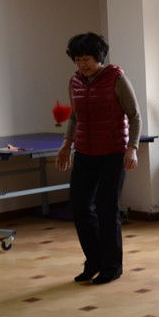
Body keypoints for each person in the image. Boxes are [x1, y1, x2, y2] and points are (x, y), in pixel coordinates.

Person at [56, 33, 142, 285]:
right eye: (78, 59)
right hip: (84, 153)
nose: (82, 64)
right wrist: (66, 145)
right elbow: (74, 117)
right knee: (79, 207)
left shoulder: (117, 79)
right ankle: (93, 261)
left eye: (87, 59)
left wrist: (132, 148)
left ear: (99, 58)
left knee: (106, 209)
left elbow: (134, 116)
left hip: (113, 154)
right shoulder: (75, 82)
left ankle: (111, 266)